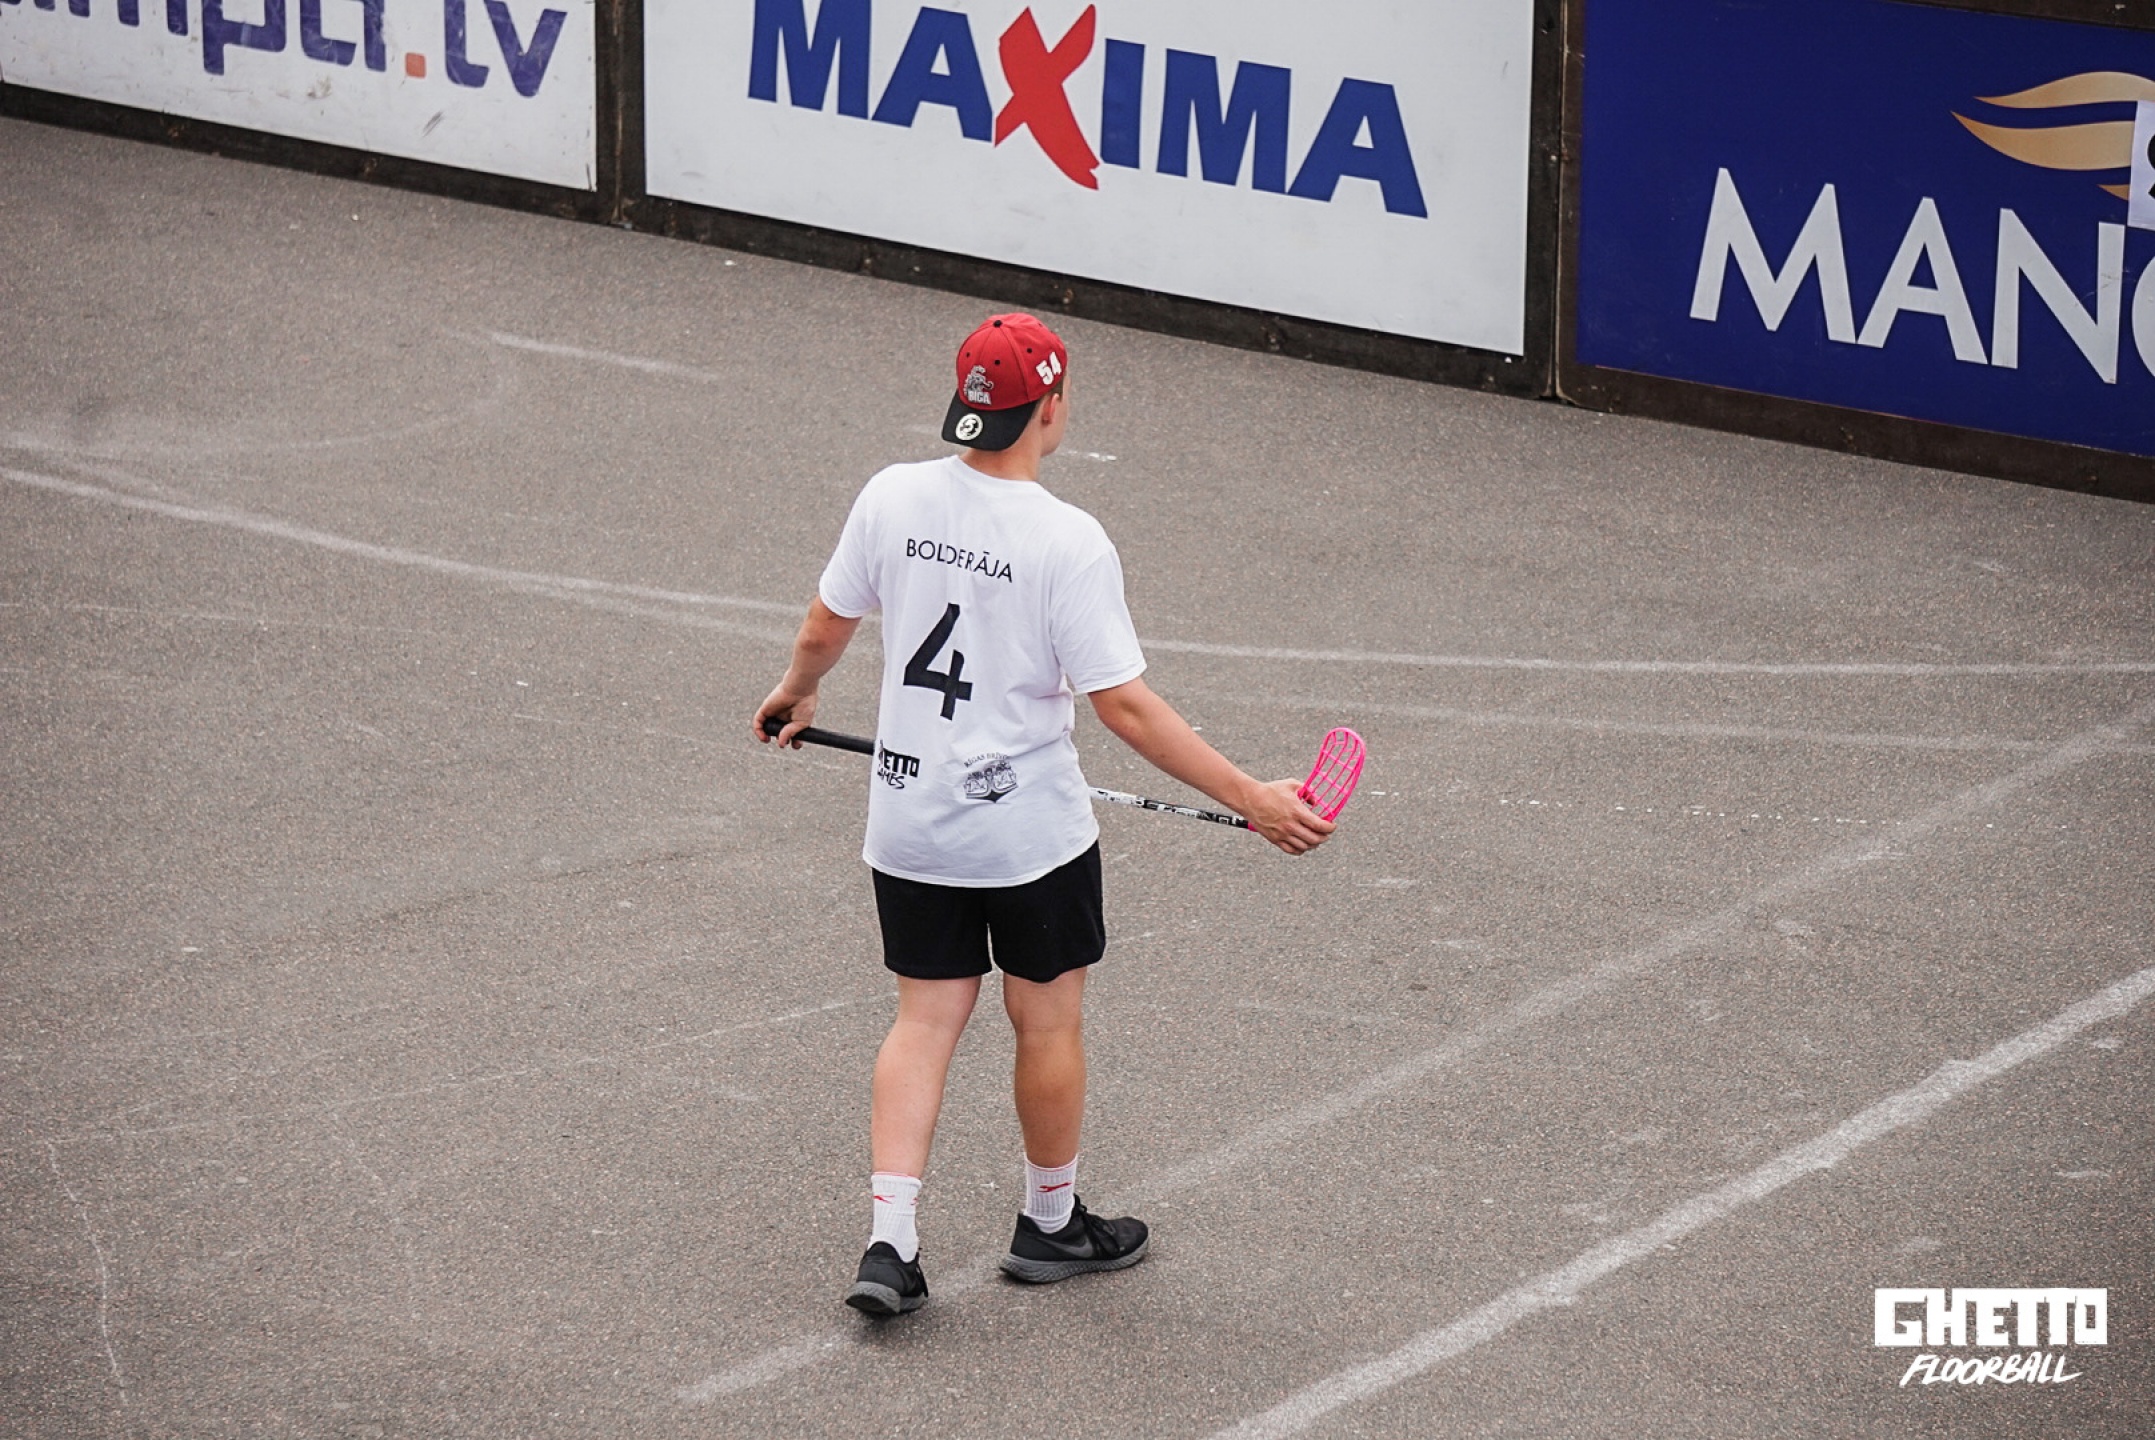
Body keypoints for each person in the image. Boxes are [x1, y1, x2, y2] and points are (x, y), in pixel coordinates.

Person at [752, 313, 1335, 1317]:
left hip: (910, 818)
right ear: (1051, 406)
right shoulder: (1067, 539)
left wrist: (797, 692)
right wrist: (1252, 799)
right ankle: (1051, 1223)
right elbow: (1126, 708)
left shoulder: (891, 495)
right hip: (1028, 836)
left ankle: (891, 1243)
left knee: (924, 1018)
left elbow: (824, 623)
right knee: (1046, 1017)